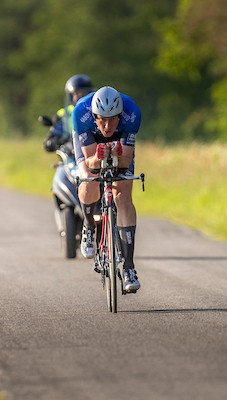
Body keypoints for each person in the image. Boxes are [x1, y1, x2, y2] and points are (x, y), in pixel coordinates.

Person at [72, 86, 142, 293]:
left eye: (113, 119)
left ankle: (129, 268)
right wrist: (99, 156)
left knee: (122, 195)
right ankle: (88, 226)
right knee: (89, 180)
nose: (107, 125)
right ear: (94, 115)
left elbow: (126, 159)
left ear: (121, 115)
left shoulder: (132, 113)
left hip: (120, 146)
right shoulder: (81, 113)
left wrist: (116, 154)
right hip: (91, 146)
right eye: (102, 119)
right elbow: (90, 162)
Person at [43, 74, 94, 152]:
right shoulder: (63, 115)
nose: (82, 97)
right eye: (77, 94)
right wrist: (53, 142)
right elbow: (54, 134)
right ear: (71, 96)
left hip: (93, 152)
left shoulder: (97, 111)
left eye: (84, 93)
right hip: (71, 155)